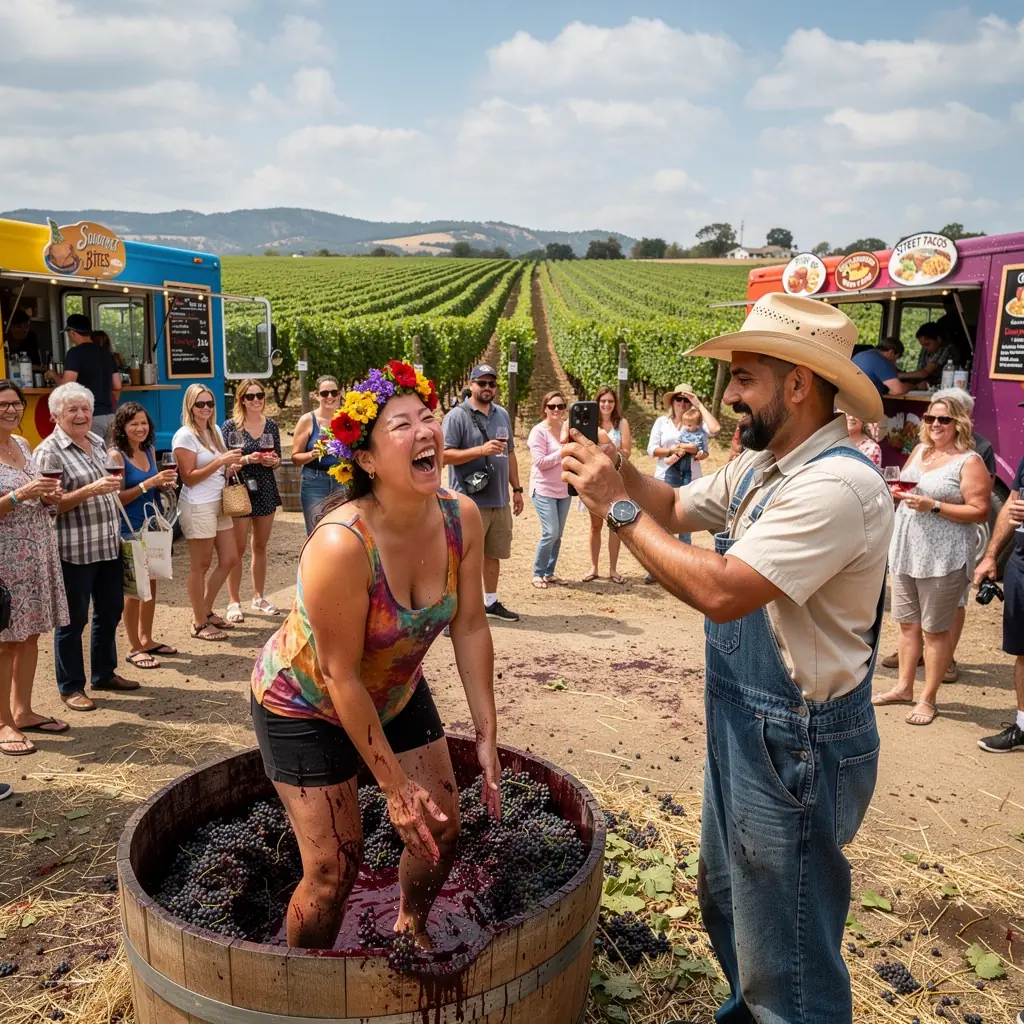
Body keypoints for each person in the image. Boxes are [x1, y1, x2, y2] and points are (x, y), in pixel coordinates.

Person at [563, 293, 894, 1024]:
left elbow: (721, 592)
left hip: (795, 742)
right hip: (747, 724)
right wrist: (615, 469)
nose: (728, 396)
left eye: (744, 378)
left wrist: (616, 508)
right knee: (728, 902)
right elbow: (675, 508)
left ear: (798, 384)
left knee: (790, 956)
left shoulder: (837, 486)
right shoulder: (764, 467)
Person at [250, 359, 501, 950]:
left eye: (428, 417)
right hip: (304, 703)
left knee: (442, 822)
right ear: (364, 460)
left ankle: (410, 925)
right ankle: (299, 988)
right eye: (401, 424)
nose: (424, 432)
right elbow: (340, 675)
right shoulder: (341, 545)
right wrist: (392, 785)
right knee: (335, 869)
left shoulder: (460, 518)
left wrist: (486, 731)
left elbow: (469, 626)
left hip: (393, 691)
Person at [871, 393, 989, 726]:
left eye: (943, 420)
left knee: (934, 631)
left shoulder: (969, 461)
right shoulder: (921, 452)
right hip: (908, 550)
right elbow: (909, 490)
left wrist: (934, 506)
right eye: (930, 418)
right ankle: (904, 687)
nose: (935, 425)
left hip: (944, 557)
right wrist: (900, 495)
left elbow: (980, 511)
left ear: (958, 424)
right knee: (907, 625)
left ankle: (928, 698)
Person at [34, 383, 137, 711]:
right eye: (72, 410)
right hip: (73, 550)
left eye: (86, 409)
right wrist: (89, 490)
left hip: (107, 545)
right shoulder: (49, 452)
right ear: (56, 415)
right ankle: (71, 687)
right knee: (73, 621)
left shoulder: (96, 440)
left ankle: (105, 673)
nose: (81, 415)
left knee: (110, 612)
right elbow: (48, 507)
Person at [0, 379, 69, 753]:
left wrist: (46, 497)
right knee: (5, 643)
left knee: (29, 636)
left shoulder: (23, 445)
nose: (11, 410)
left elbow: (35, 496)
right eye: (3, 404)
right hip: (4, 558)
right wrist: (20, 493)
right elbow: (12, 498)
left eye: (16, 404)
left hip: (35, 551)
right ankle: (2, 723)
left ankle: (22, 711)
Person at [442, 363, 522, 622]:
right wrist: (480, 450)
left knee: (493, 554)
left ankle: (490, 602)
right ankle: (457, 609)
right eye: (482, 383)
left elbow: (509, 453)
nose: (487, 388)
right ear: (471, 384)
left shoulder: (502, 415)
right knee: (464, 558)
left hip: (499, 499)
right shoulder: (456, 416)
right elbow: (444, 456)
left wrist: (517, 489)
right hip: (468, 502)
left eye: (492, 384)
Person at [110, 403, 179, 670]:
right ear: (122, 428)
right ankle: (133, 647)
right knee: (133, 590)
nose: (140, 428)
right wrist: (148, 483)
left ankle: (146, 639)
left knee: (150, 585)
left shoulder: (149, 451)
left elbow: (152, 487)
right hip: (129, 529)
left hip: (152, 527)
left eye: (143, 423)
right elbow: (117, 499)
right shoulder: (116, 456)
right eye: (133, 424)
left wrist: (163, 483)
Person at [173, 385, 244, 641]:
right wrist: (220, 463)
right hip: (198, 504)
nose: (206, 408)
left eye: (210, 404)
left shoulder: (213, 431)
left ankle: (205, 609)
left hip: (218, 502)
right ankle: (199, 622)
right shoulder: (185, 436)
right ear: (190, 407)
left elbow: (222, 465)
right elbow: (188, 479)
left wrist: (237, 462)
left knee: (230, 558)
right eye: (200, 404)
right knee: (200, 565)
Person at [973, 441, 1024, 753]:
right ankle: (1023, 726)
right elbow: (1011, 504)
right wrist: (991, 555)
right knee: (1023, 650)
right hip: (1020, 563)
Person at [222, 380, 282, 622]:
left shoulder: (272, 426)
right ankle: (233, 601)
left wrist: (272, 462)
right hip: (240, 488)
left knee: (260, 546)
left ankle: (258, 597)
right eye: (250, 396)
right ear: (241, 400)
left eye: (260, 396)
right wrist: (248, 459)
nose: (256, 400)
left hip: (265, 487)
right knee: (237, 549)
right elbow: (226, 463)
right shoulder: (229, 427)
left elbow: (277, 457)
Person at [647, 383, 720, 546]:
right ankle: (658, 569)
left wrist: (699, 405)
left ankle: (681, 567)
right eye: (679, 399)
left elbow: (715, 429)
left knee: (685, 523)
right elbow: (651, 449)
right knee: (662, 523)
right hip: (665, 476)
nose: (682, 403)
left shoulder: (699, 425)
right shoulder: (662, 422)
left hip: (690, 478)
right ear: (672, 402)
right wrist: (671, 451)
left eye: (687, 400)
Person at [586, 386, 632, 583]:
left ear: (615, 404)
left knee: (615, 526)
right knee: (595, 526)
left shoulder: (621, 424)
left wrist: (610, 449)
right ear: (597, 403)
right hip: (594, 480)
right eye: (603, 401)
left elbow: (628, 452)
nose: (606, 404)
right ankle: (594, 567)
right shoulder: (589, 423)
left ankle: (613, 569)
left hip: (616, 480)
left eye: (610, 401)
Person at [527, 391, 571, 588]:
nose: (556, 410)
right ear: (545, 408)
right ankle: (538, 572)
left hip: (564, 489)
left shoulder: (567, 429)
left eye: (560, 406)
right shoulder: (538, 431)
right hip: (543, 489)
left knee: (558, 534)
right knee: (550, 532)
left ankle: (549, 572)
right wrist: (562, 452)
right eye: (552, 406)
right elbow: (540, 463)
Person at [291, 375, 343, 535]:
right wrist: (312, 454)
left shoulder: (347, 418)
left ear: (340, 393)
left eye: (334, 393)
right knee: (316, 532)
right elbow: (295, 457)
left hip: (343, 480)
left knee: (342, 531)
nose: (329, 397)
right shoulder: (308, 420)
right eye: (324, 393)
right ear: (316, 395)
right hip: (314, 480)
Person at [59, 314, 121, 441]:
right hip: (110, 415)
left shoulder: (74, 353)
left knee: (88, 458)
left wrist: (53, 375)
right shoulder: (106, 353)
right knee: (109, 458)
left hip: (89, 416)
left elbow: (66, 385)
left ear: (72, 333)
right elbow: (117, 385)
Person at [898, 322, 959, 387]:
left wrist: (899, 375)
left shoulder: (946, 348)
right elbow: (920, 371)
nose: (924, 348)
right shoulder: (925, 349)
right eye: (922, 345)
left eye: (927, 344)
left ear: (938, 339)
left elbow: (925, 373)